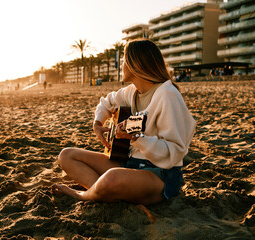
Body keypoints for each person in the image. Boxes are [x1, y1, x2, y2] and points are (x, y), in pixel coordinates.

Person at [52, 39, 196, 205]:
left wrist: (137, 138)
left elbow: (174, 152)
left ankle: (82, 195)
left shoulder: (167, 95)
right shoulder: (132, 92)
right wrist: (98, 124)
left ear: (136, 65)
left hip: (160, 175)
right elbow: (106, 102)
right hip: (129, 164)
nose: (122, 66)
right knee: (67, 156)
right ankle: (100, 192)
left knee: (112, 177)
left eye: (124, 61)